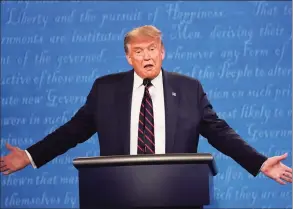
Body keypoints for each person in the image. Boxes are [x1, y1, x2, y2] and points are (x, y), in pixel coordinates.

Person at [0, 25, 292, 185]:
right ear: (129, 58)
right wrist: (29, 156)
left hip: (178, 191)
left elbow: (219, 132)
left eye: (152, 49)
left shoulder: (189, 88)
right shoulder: (106, 89)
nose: (147, 56)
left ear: (162, 52)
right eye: (138, 51)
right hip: (117, 192)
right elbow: (72, 131)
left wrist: (259, 162)